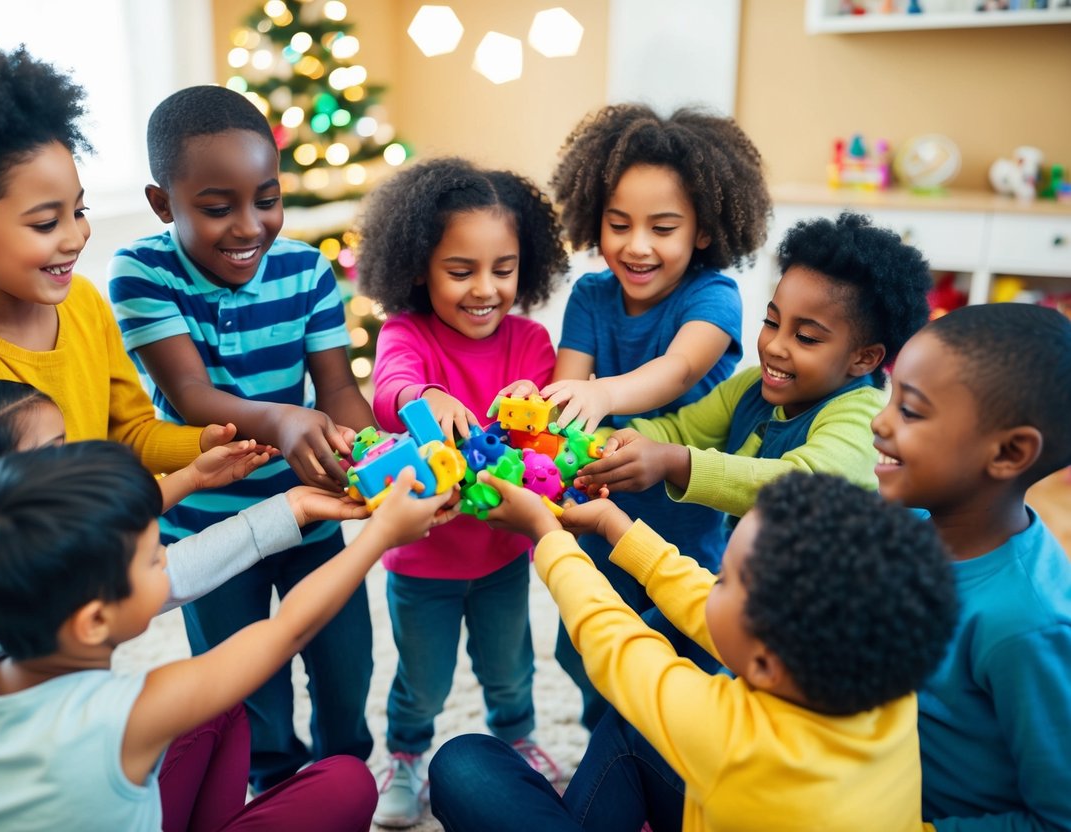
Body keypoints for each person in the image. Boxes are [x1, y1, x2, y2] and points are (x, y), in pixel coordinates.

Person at [0, 36, 225, 634]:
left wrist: (205, 445)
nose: (75, 237)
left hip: (58, 567)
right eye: (45, 222)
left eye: (78, 212)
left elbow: (125, 432)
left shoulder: (82, 302)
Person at [0, 379, 331, 831]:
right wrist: (327, 520)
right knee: (335, 783)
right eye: (52, 455)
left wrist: (191, 479)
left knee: (214, 708)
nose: (73, 462)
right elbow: (167, 579)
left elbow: (115, 548)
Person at [0, 442, 453, 831]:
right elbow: (288, 629)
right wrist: (379, 536)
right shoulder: (124, 715)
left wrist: (274, 504)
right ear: (92, 622)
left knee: (218, 705)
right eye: (155, 557)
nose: (168, 561)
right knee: (347, 782)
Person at [429, 471, 959, 832]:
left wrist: (546, 534)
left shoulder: (731, 738)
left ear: (766, 664)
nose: (712, 584)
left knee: (461, 766)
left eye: (725, 579)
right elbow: (707, 606)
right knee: (636, 725)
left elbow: (614, 641)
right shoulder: (878, 676)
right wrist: (617, 527)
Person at [108, 84, 376, 790]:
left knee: (346, 661)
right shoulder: (141, 270)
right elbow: (190, 395)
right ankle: (277, 786)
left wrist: (382, 455)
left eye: (267, 198)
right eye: (217, 207)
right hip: (208, 530)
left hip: (307, 510)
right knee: (242, 681)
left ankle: (344, 774)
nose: (249, 226)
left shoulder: (307, 269)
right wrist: (285, 419)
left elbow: (340, 391)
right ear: (163, 203)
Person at [520, 103, 772, 730]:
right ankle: (608, 760)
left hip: (681, 533)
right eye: (618, 224)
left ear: (704, 231)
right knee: (589, 648)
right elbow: (567, 385)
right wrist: (543, 410)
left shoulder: (714, 295)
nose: (636, 247)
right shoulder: (590, 295)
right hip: (597, 511)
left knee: (683, 654)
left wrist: (603, 395)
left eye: (663, 228)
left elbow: (681, 369)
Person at [354, 156, 568, 827]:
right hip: (422, 563)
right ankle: (407, 756)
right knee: (422, 681)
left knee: (510, 671)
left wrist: (532, 401)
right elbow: (388, 391)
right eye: (460, 270)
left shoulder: (531, 341)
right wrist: (426, 393)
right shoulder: (405, 333)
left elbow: (543, 435)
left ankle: (516, 739)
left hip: (501, 557)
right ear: (418, 266)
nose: (484, 289)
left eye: (502, 270)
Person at [577, 212, 931, 524]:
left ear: (865, 358)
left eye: (806, 337)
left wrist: (675, 463)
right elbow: (681, 431)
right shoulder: (750, 388)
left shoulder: (864, 416)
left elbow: (797, 489)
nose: (775, 346)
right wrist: (593, 448)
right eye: (771, 322)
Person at [872, 303, 1071, 830]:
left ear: (1008, 453)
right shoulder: (909, 522)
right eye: (890, 396)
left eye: (909, 411)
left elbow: (1057, 819)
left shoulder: (1026, 625)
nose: (878, 420)